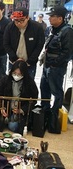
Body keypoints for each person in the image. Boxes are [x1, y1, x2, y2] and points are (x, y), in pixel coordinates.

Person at [40, 6, 73, 134]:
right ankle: (44, 114)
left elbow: (67, 53)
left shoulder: (67, 31)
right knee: (44, 89)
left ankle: (54, 118)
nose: (49, 18)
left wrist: (54, 63)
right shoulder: (52, 29)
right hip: (47, 65)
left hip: (56, 68)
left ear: (60, 18)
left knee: (57, 93)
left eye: (52, 16)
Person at [0, 60, 38, 135]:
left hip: (19, 110)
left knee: (14, 127)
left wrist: (22, 110)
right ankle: (7, 119)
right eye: (14, 73)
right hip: (6, 107)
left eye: (19, 74)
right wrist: (2, 108)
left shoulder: (30, 83)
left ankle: (10, 120)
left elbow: (34, 100)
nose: (16, 76)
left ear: (24, 73)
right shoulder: (5, 80)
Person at [3, 7, 45, 80]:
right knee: (12, 84)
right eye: (16, 21)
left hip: (29, 64)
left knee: (28, 85)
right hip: (13, 62)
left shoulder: (37, 27)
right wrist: (15, 58)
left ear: (27, 18)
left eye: (22, 20)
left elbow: (39, 45)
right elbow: (6, 44)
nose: (18, 23)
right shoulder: (10, 27)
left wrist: (30, 61)